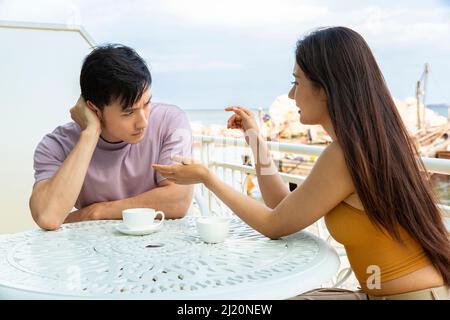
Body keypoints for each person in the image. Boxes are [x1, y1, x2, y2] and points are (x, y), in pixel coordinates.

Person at [153, 27, 450, 300]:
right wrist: (256, 141)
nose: (292, 94)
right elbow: (282, 207)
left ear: (326, 88)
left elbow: (273, 225)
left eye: (297, 82)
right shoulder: (367, 144)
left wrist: (208, 178)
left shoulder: (344, 155)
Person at [30, 44, 193, 231]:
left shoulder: (170, 121)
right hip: (93, 252)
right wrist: (90, 133)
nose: (143, 122)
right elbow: (48, 216)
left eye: (147, 103)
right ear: (94, 109)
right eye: (128, 112)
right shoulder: (56, 145)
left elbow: (177, 201)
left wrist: (95, 212)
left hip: (160, 245)